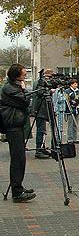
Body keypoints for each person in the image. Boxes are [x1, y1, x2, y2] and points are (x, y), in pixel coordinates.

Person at [0, 64, 35, 203]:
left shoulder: (13, 86)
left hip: (16, 125)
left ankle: (19, 187)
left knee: (20, 159)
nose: (25, 76)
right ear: (17, 76)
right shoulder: (9, 88)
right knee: (17, 159)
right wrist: (25, 89)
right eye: (23, 74)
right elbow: (24, 101)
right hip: (13, 126)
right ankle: (17, 191)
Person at [33, 69, 54, 159]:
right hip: (40, 109)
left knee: (42, 129)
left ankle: (42, 147)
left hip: (42, 108)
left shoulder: (40, 81)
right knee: (41, 129)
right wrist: (50, 91)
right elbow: (40, 92)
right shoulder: (40, 83)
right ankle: (39, 149)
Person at [64, 79, 79, 143]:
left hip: (76, 109)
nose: (76, 85)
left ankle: (74, 138)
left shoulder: (78, 91)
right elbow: (67, 100)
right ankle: (70, 138)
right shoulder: (67, 91)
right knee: (70, 124)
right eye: (75, 84)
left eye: (76, 84)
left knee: (75, 125)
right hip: (70, 110)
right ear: (71, 84)